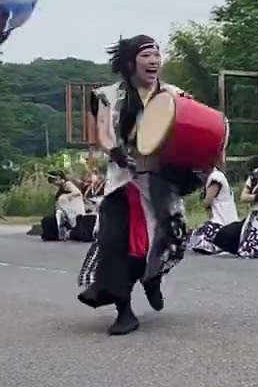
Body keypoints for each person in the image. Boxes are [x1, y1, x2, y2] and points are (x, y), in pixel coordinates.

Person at [76, 35, 202, 336]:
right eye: (147, 54)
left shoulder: (174, 95)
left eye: (157, 54)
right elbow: (104, 133)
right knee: (117, 244)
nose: (154, 60)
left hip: (161, 184)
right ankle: (124, 311)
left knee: (169, 242)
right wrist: (116, 152)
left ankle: (153, 277)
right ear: (131, 61)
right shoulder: (109, 95)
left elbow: (196, 126)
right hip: (125, 185)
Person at [189, 166, 240, 255]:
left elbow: (207, 201)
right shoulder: (216, 176)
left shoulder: (216, 178)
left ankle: (216, 245)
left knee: (199, 233)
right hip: (225, 221)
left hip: (223, 223)